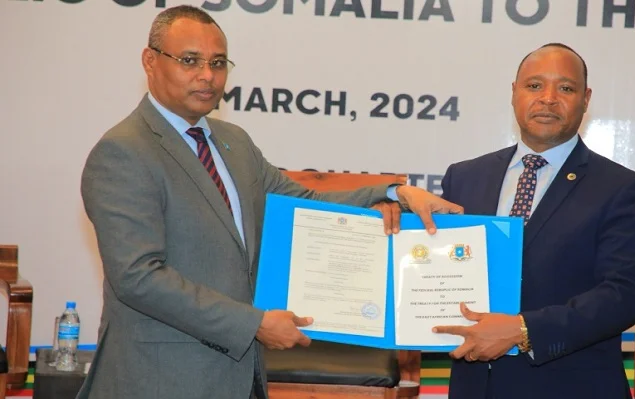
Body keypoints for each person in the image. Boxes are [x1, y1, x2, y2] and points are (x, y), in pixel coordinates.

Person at [77, 5, 462, 399]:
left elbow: (307, 205)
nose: (207, 75)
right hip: (159, 378)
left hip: (239, 376)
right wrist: (254, 323)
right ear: (150, 61)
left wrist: (395, 193)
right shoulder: (124, 151)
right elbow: (138, 277)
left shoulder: (234, 143)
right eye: (189, 60)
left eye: (218, 63)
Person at [431, 43, 635, 398]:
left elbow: (624, 293)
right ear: (513, 93)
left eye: (565, 88)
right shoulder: (464, 177)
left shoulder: (623, 188)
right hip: (475, 386)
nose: (548, 98)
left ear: (586, 99)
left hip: (570, 386)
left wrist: (524, 331)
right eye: (534, 86)